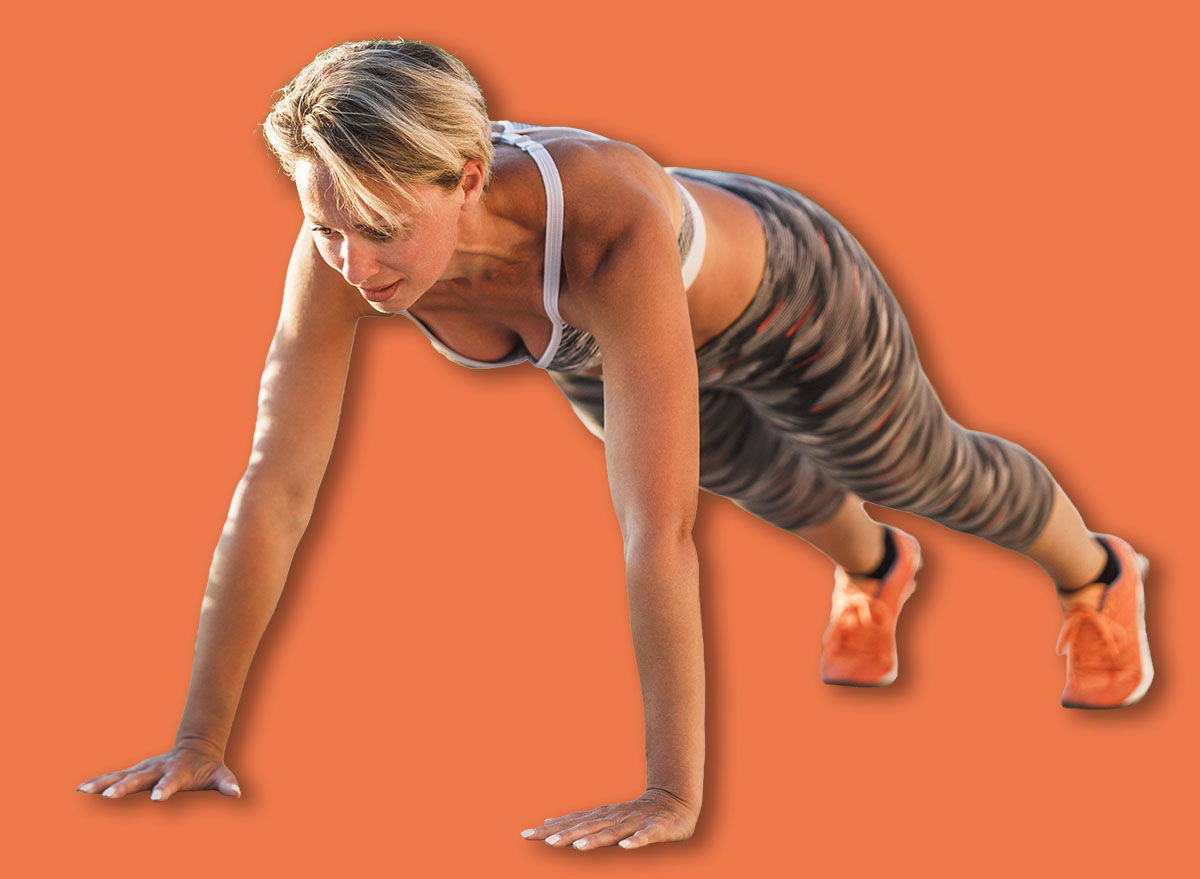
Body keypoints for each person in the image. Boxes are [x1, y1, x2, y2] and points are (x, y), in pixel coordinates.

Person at [76, 38, 1152, 849]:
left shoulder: (605, 221)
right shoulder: (345, 243)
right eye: (324, 224)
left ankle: (1096, 575)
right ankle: (876, 568)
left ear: (463, 177)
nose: (353, 264)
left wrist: (673, 792)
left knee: (910, 470)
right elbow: (276, 485)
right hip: (600, 353)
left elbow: (656, 530)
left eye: (379, 226)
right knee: (771, 487)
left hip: (789, 299)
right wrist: (202, 737)